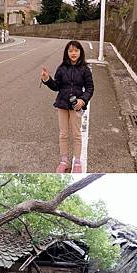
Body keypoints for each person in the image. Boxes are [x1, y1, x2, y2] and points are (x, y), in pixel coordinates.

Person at [41, 40, 94, 173]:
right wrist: (47, 79)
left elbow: (90, 87)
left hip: (76, 105)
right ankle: (64, 161)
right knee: (63, 134)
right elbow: (56, 86)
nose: (73, 53)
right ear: (67, 53)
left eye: (76, 50)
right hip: (62, 104)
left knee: (76, 134)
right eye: (71, 51)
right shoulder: (62, 68)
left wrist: (83, 100)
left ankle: (77, 162)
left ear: (80, 52)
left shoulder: (85, 69)